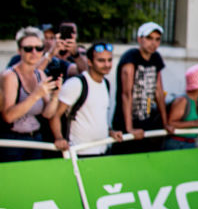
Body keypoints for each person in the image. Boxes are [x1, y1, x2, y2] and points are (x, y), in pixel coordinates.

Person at [50, 42, 123, 156]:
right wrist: (59, 138)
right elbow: (55, 115)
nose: (107, 64)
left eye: (109, 60)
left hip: (103, 151)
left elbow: (97, 116)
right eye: (101, 60)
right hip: (80, 152)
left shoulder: (106, 83)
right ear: (89, 62)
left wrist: (110, 132)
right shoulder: (76, 84)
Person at [0, 27, 62, 161]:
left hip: (35, 139)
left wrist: (55, 95)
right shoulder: (10, 76)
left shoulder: (40, 74)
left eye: (39, 48)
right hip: (13, 142)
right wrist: (35, 95)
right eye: (28, 49)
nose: (34, 52)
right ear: (19, 51)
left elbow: (47, 114)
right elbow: (8, 116)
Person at [116, 21, 167, 152]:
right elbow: (126, 94)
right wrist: (129, 128)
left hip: (146, 121)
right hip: (126, 122)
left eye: (157, 39)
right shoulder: (131, 57)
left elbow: (159, 92)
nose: (153, 43)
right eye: (149, 38)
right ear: (140, 39)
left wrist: (165, 122)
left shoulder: (156, 58)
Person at [163, 64, 198, 151]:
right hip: (177, 145)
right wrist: (195, 123)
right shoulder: (182, 101)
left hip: (190, 143)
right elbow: (171, 124)